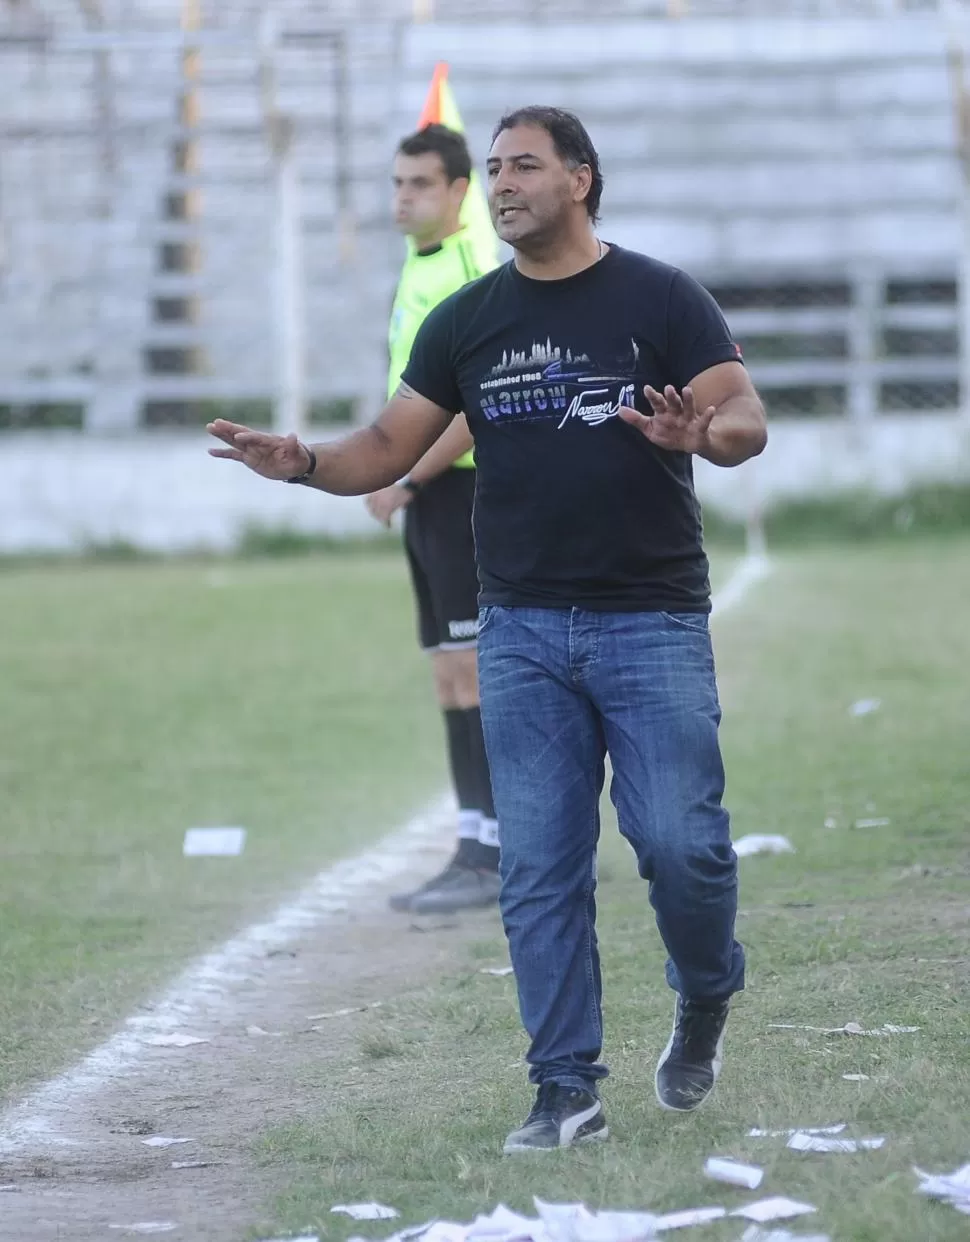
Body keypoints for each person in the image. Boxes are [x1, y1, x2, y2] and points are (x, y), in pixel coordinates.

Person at [207, 105, 767, 1155]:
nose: (502, 183)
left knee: (680, 848)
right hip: (521, 631)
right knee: (539, 866)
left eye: (524, 167)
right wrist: (305, 464)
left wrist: (707, 434)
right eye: (496, 169)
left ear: (581, 180)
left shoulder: (660, 295)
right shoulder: (467, 319)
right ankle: (564, 1089)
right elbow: (386, 443)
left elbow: (742, 415)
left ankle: (705, 993)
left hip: (649, 622)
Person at [371, 123, 502, 914]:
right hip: (425, 497)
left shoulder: (470, 270)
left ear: (459, 193)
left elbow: (476, 405)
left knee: (479, 674)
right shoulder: (414, 266)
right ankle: (475, 843)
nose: (403, 197)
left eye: (420, 183)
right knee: (450, 677)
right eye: (396, 183)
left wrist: (403, 473)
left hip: (460, 494)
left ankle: (501, 851)